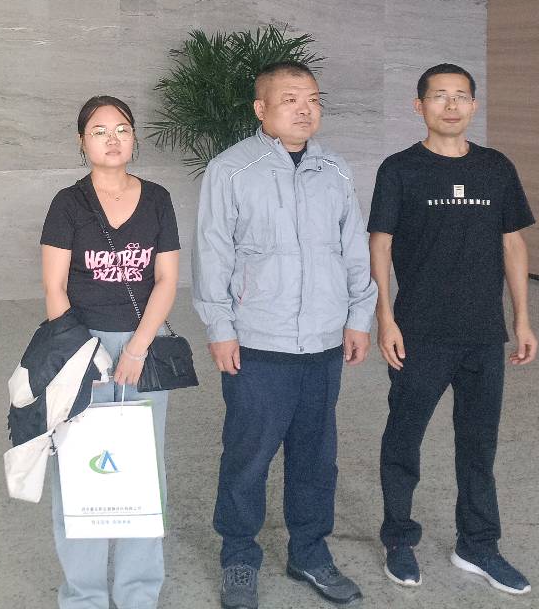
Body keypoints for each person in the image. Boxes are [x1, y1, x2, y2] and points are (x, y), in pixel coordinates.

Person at [193, 61, 377, 609]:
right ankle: (239, 557)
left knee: (316, 459)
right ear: (261, 109)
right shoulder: (231, 170)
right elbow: (213, 253)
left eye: (313, 99)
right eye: (291, 99)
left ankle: (310, 554)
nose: (305, 109)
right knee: (247, 457)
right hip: (258, 342)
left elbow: (354, 249)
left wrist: (358, 317)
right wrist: (220, 327)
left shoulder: (335, 170)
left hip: (322, 344)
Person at [368, 63, 538, 596]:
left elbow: (513, 243)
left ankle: (478, 544)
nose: (450, 105)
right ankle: (399, 539)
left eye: (460, 96)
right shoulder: (400, 169)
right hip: (419, 332)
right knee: (404, 439)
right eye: (439, 96)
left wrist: (522, 318)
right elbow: (380, 244)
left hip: (483, 335)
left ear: (474, 105)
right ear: (419, 106)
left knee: (478, 445)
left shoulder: (495, 167)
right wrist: (385, 317)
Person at [40, 94, 182, 609]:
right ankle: (84, 596)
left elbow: (166, 280)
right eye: (99, 131)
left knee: (144, 472)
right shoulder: (68, 203)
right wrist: (84, 356)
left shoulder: (158, 199)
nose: (112, 139)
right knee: (79, 471)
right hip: (82, 348)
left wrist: (138, 348)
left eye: (121, 128)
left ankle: (138, 592)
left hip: (144, 347)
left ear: (134, 137)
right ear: (82, 142)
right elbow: (55, 288)